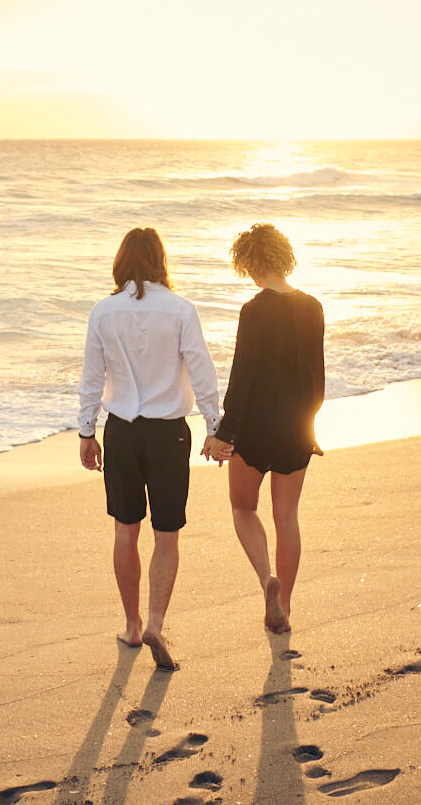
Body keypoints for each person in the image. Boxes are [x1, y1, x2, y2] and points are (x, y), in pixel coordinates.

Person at [78, 227, 221, 670]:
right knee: (166, 534)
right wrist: (216, 427)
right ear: (161, 261)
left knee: (125, 530)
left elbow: (91, 377)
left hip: (121, 432)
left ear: (121, 262)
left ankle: (133, 624)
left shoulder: (103, 313)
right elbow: (202, 371)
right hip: (168, 433)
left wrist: (87, 431)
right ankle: (157, 620)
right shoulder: (180, 310)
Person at [203, 224, 324, 635]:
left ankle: (265, 580)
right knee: (287, 517)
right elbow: (316, 378)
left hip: (255, 430)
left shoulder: (253, 311)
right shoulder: (313, 307)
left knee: (242, 508)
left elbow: (243, 379)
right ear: (283, 256)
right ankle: (285, 606)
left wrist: (225, 432)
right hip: (295, 428)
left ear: (250, 262)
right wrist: (309, 425)